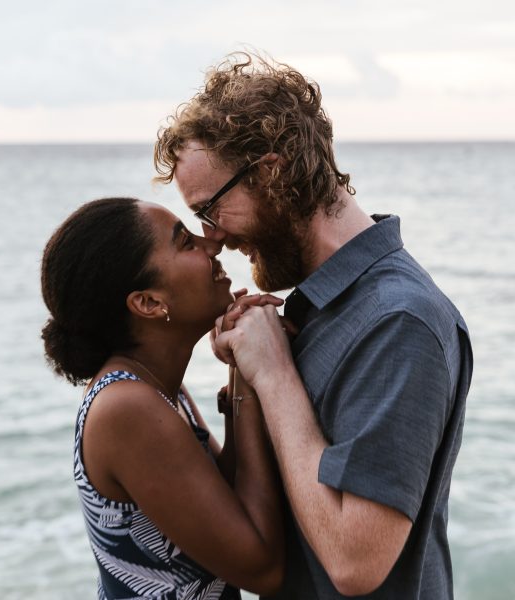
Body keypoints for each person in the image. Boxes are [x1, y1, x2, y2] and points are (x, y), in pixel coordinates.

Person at [153, 52, 473, 599]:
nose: (213, 239)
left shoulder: (398, 320)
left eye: (211, 210)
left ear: (273, 172)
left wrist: (275, 374)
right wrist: (246, 379)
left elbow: (355, 561)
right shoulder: (319, 308)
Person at [40, 197, 285, 599]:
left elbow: (227, 499)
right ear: (149, 303)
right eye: (187, 243)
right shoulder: (128, 408)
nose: (213, 246)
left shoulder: (157, 390)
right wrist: (254, 383)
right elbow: (262, 567)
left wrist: (244, 363)